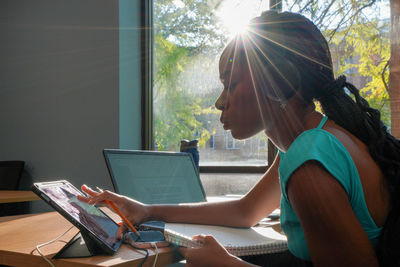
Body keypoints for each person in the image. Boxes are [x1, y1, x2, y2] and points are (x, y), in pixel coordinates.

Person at [78, 10, 400, 266]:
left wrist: (226, 264)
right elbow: (245, 212)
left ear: (278, 84)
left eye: (230, 84)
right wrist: (146, 210)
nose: (220, 101)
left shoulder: (310, 163)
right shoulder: (309, 142)